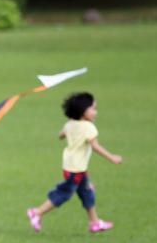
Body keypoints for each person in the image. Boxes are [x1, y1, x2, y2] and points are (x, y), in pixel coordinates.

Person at [27, 92, 122, 233]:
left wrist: (69, 134)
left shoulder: (70, 124)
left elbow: (61, 135)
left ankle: (94, 222)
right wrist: (112, 157)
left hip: (71, 166)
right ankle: (37, 212)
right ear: (83, 111)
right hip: (76, 168)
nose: (96, 112)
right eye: (93, 109)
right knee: (65, 193)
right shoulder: (89, 128)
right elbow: (95, 146)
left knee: (87, 191)